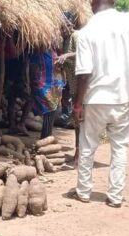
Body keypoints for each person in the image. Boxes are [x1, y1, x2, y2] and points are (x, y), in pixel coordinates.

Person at [71, 0, 129, 208]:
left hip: (96, 98)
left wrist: (78, 104)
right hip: (124, 96)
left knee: (88, 145)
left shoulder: (87, 31)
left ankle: (83, 191)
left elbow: (84, 73)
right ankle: (115, 197)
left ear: (94, 2)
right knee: (120, 147)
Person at [0, 27, 32, 135]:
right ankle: (15, 125)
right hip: (11, 74)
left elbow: (16, 53)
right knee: (14, 99)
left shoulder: (22, 40)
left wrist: (9, 39)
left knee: (24, 99)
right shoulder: (3, 38)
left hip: (18, 74)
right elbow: (1, 53)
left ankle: (18, 124)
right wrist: (7, 39)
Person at [57, 12, 80, 163]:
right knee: (77, 119)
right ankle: (79, 152)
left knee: (79, 118)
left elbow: (82, 53)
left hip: (81, 84)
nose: (61, 30)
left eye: (63, 27)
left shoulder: (77, 36)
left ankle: (80, 153)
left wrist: (66, 56)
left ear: (70, 25)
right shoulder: (65, 39)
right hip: (72, 84)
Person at [29, 49, 65, 139]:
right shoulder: (36, 53)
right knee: (49, 108)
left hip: (55, 84)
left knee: (51, 110)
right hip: (43, 84)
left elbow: (59, 67)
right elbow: (33, 69)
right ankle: (46, 137)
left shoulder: (53, 52)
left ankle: (46, 137)